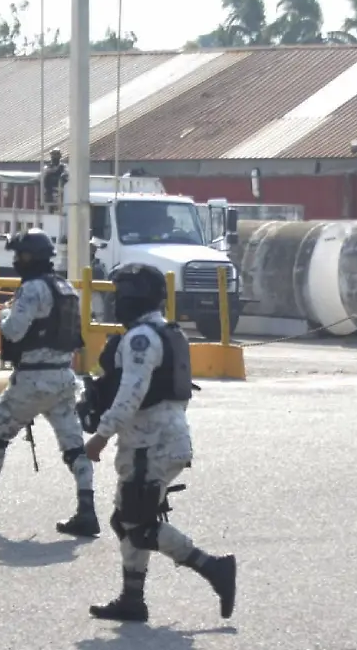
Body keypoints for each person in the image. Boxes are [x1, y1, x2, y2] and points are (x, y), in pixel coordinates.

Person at [84, 263, 236, 623]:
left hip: (150, 445)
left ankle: (213, 568)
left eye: (121, 294)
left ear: (134, 296)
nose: (116, 302)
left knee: (137, 522)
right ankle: (132, 599)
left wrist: (101, 436)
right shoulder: (165, 332)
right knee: (127, 519)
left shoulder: (141, 339)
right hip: (157, 441)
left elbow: (131, 393)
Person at [0, 228, 98, 538]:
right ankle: (87, 509)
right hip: (64, 377)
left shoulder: (33, 289)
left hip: (34, 378)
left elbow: (13, 331)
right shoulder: (67, 289)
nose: (16, 260)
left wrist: (3, 315)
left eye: (19, 255)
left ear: (30, 257)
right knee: (74, 445)